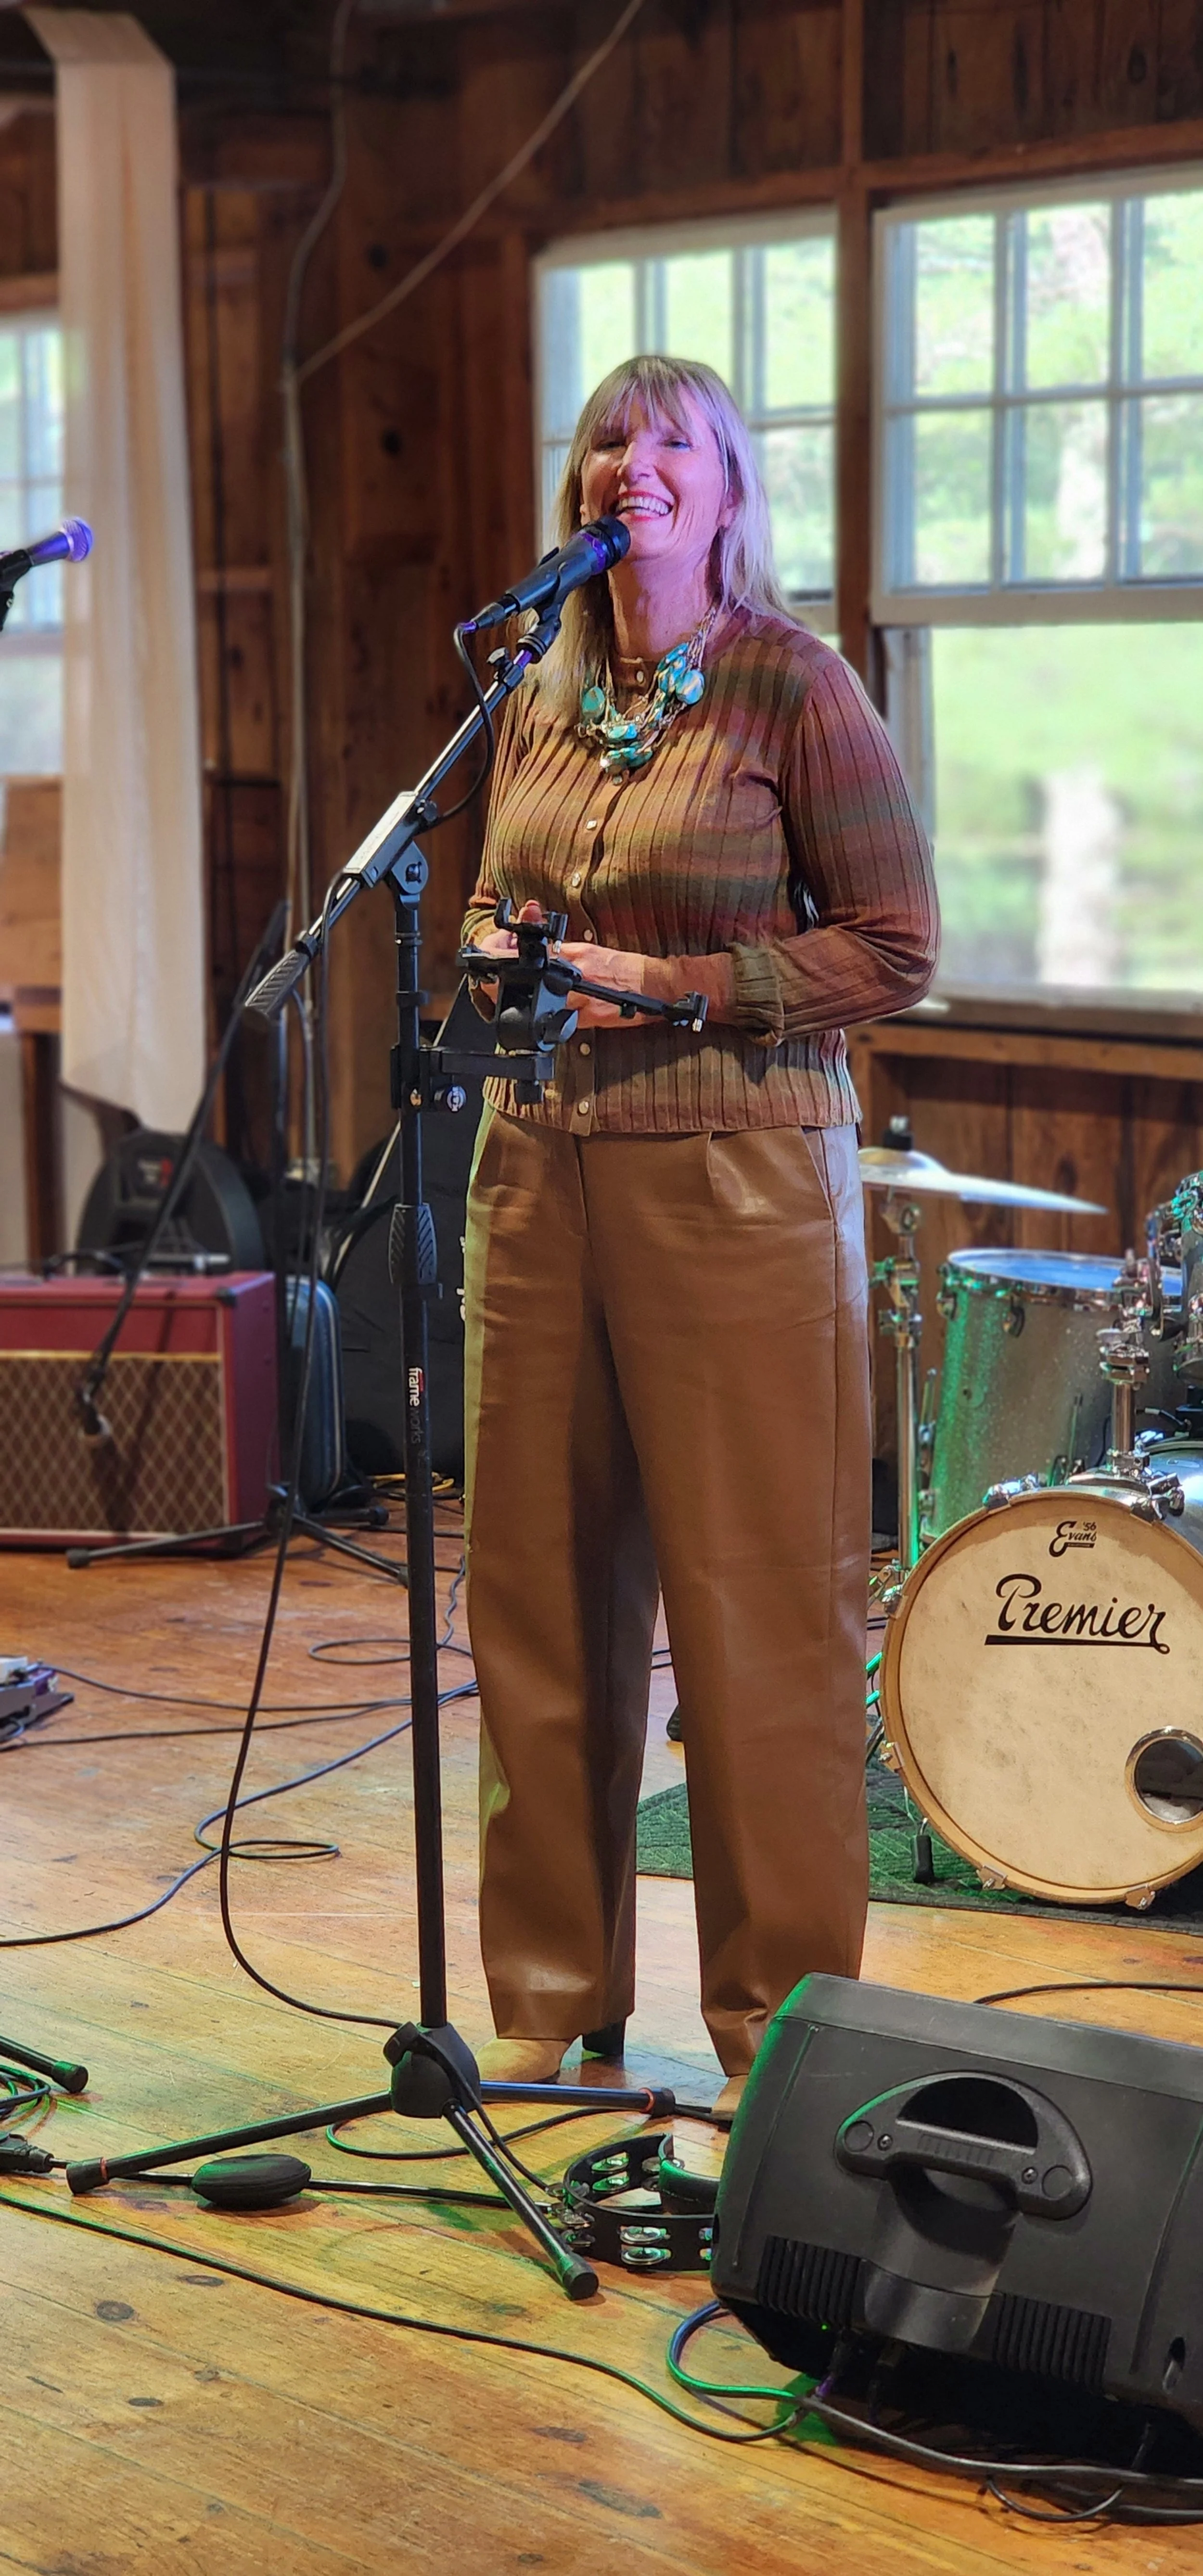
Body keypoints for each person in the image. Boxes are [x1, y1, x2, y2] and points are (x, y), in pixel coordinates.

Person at [461, 354, 938, 2113]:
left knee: (755, 1613)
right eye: (606, 437)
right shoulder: (537, 688)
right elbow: (500, 903)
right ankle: (550, 1987)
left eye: (672, 445)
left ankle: (780, 2025)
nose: (630, 465)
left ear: (729, 492)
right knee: (534, 1595)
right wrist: (511, 961)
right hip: (535, 1173)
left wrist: (664, 982)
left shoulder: (793, 687)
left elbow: (891, 945)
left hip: (734, 1175)